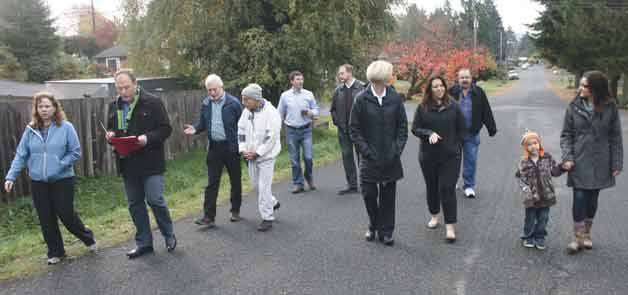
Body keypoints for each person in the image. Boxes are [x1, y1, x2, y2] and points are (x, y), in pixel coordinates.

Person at [4, 92, 96, 265]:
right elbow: (21, 155)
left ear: (54, 108)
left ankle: (87, 237)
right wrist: (11, 176)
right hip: (38, 181)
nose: (44, 110)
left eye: (47, 106)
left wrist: (60, 164)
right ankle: (56, 252)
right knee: (46, 218)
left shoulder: (66, 127)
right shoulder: (30, 130)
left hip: (62, 179)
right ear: (36, 110)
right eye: (40, 107)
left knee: (66, 214)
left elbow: (75, 152)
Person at [105, 69, 176, 259]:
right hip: (127, 163)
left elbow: (165, 129)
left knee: (155, 199)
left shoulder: (152, 102)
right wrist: (110, 135)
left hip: (150, 161)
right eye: (119, 88)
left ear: (135, 84)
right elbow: (112, 129)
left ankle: (169, 235)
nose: (123, 92)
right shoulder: (114, 106)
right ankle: (144, 243)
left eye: (127, 87)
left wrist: (147, 138)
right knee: (135, 204)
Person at [560, 70, 623, 254]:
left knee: (592, 198)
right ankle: (577, 237)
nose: (580, 88)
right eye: (580, 84)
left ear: (595, 89)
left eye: (584, 86)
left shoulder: (610, 107)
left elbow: (615, 136)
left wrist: (617, 162)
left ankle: (587, 233)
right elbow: (566, 135)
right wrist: (568, 157)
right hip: (578, 159)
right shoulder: (573, 106)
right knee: (579, 196)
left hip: (600, 159)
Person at [349, 60, 408, 246]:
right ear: (383, 76)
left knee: (388, 197)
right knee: (368, 194)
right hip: (369, 159)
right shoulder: (361, 99)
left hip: (390, 157)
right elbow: (354, 129)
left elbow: (402, 128)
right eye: (391, 73)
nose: (393, 76)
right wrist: (365, 151)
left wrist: (396, 150)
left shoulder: (395, 98)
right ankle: (374, 224)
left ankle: (387, 231)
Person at [184, 74, 243, 227]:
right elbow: (203, 123)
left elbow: (243, 126)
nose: (212, 93)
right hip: (214, 148)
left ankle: (235, 210)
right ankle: (208, 217)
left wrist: (243, 146)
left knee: (235, 180)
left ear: (221, 86)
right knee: (212, 182)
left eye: (214, 89)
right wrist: (195, 128)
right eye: (209, 90)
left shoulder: (234, 103)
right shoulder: (206, 104)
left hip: (231, 147)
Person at [412, 76, 466, 243]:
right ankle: (434, 215)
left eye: (441, 86)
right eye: (435, 87)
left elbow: (462, 130)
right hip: (428, 156)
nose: (439, 89)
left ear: (445, 87)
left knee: (447, 188)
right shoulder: (422, 108)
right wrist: (429, 134)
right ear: (430, 89)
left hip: (450, 157)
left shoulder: (454, 107)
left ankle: (450, 225)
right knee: (432, 187)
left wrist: (456, 147)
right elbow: (415, 129)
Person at [237, 84, 282, 232]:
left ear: (256, 99)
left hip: (267, 156)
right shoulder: (246, 112)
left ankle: (267, 218)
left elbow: (271, 137)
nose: (243, 103)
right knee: (256, 186)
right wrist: (243, 149)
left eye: (246, 100)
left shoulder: (271, 113)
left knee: (263, 187)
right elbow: (241, 130)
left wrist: (258, 152)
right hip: (250, 155)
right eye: (243, 99)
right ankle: (273, 202)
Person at [449, 68, 497, 198]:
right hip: (454, 133)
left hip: (472, 133)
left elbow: (486, 110)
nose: (464, 80)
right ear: (458, 79)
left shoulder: (478, 92)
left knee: (471, 160)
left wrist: (491, 128)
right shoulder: (451, 92)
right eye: (462, 78)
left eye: (467, 77)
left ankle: (469, 186)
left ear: (471, 79)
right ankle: (452, 182)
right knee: (453, 160)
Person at [515, 130, 565, 250]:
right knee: (530, 219)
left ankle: (540, 237)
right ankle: (528, 236)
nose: (533, 146)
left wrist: (563, 167)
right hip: (531, 197)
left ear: (539, 143)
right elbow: (520, 179)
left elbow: (554, 171)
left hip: (546, 195)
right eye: (529, 144)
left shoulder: (547, 158)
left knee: (543, 218)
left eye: (535, 143)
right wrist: (526, 191)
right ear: (525, 147)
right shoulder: (524, 162)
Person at [277, 71, 320, 193]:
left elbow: (316, 109)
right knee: (294, 160)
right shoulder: (285, 96)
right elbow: (279, 113)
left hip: (306, 129)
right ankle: (298, 184)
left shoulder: (308, 94)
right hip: (291, 131)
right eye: (297, 79)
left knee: (308, 157)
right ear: (292, 81)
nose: (300, 81)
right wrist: (276, 130)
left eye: (301, 79)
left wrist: (310, 112)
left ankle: (309, 177)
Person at [330, 64, 365, 195]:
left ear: (349, 72)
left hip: (360, 131)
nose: (340, 76)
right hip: (343, 131)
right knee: (347, 157)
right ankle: (352, 185)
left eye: (342, 73)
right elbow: (333, 109)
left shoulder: (363, 88)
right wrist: (337, 122)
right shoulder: (338, 90)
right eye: (339, 74)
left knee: (362, 157)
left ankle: (365, 183)